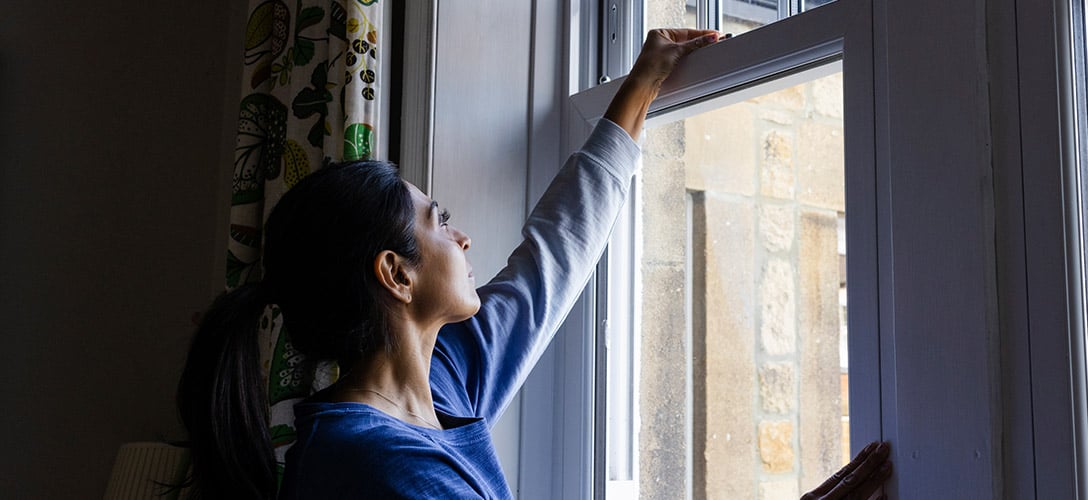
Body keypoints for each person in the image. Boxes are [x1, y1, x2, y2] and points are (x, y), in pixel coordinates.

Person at [178, 29, 890, 499]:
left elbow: (551, 259)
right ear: (395, 275)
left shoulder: (440, 382)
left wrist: (639, 91)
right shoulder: (379, 467)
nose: (461, 240)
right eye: (440, 221)